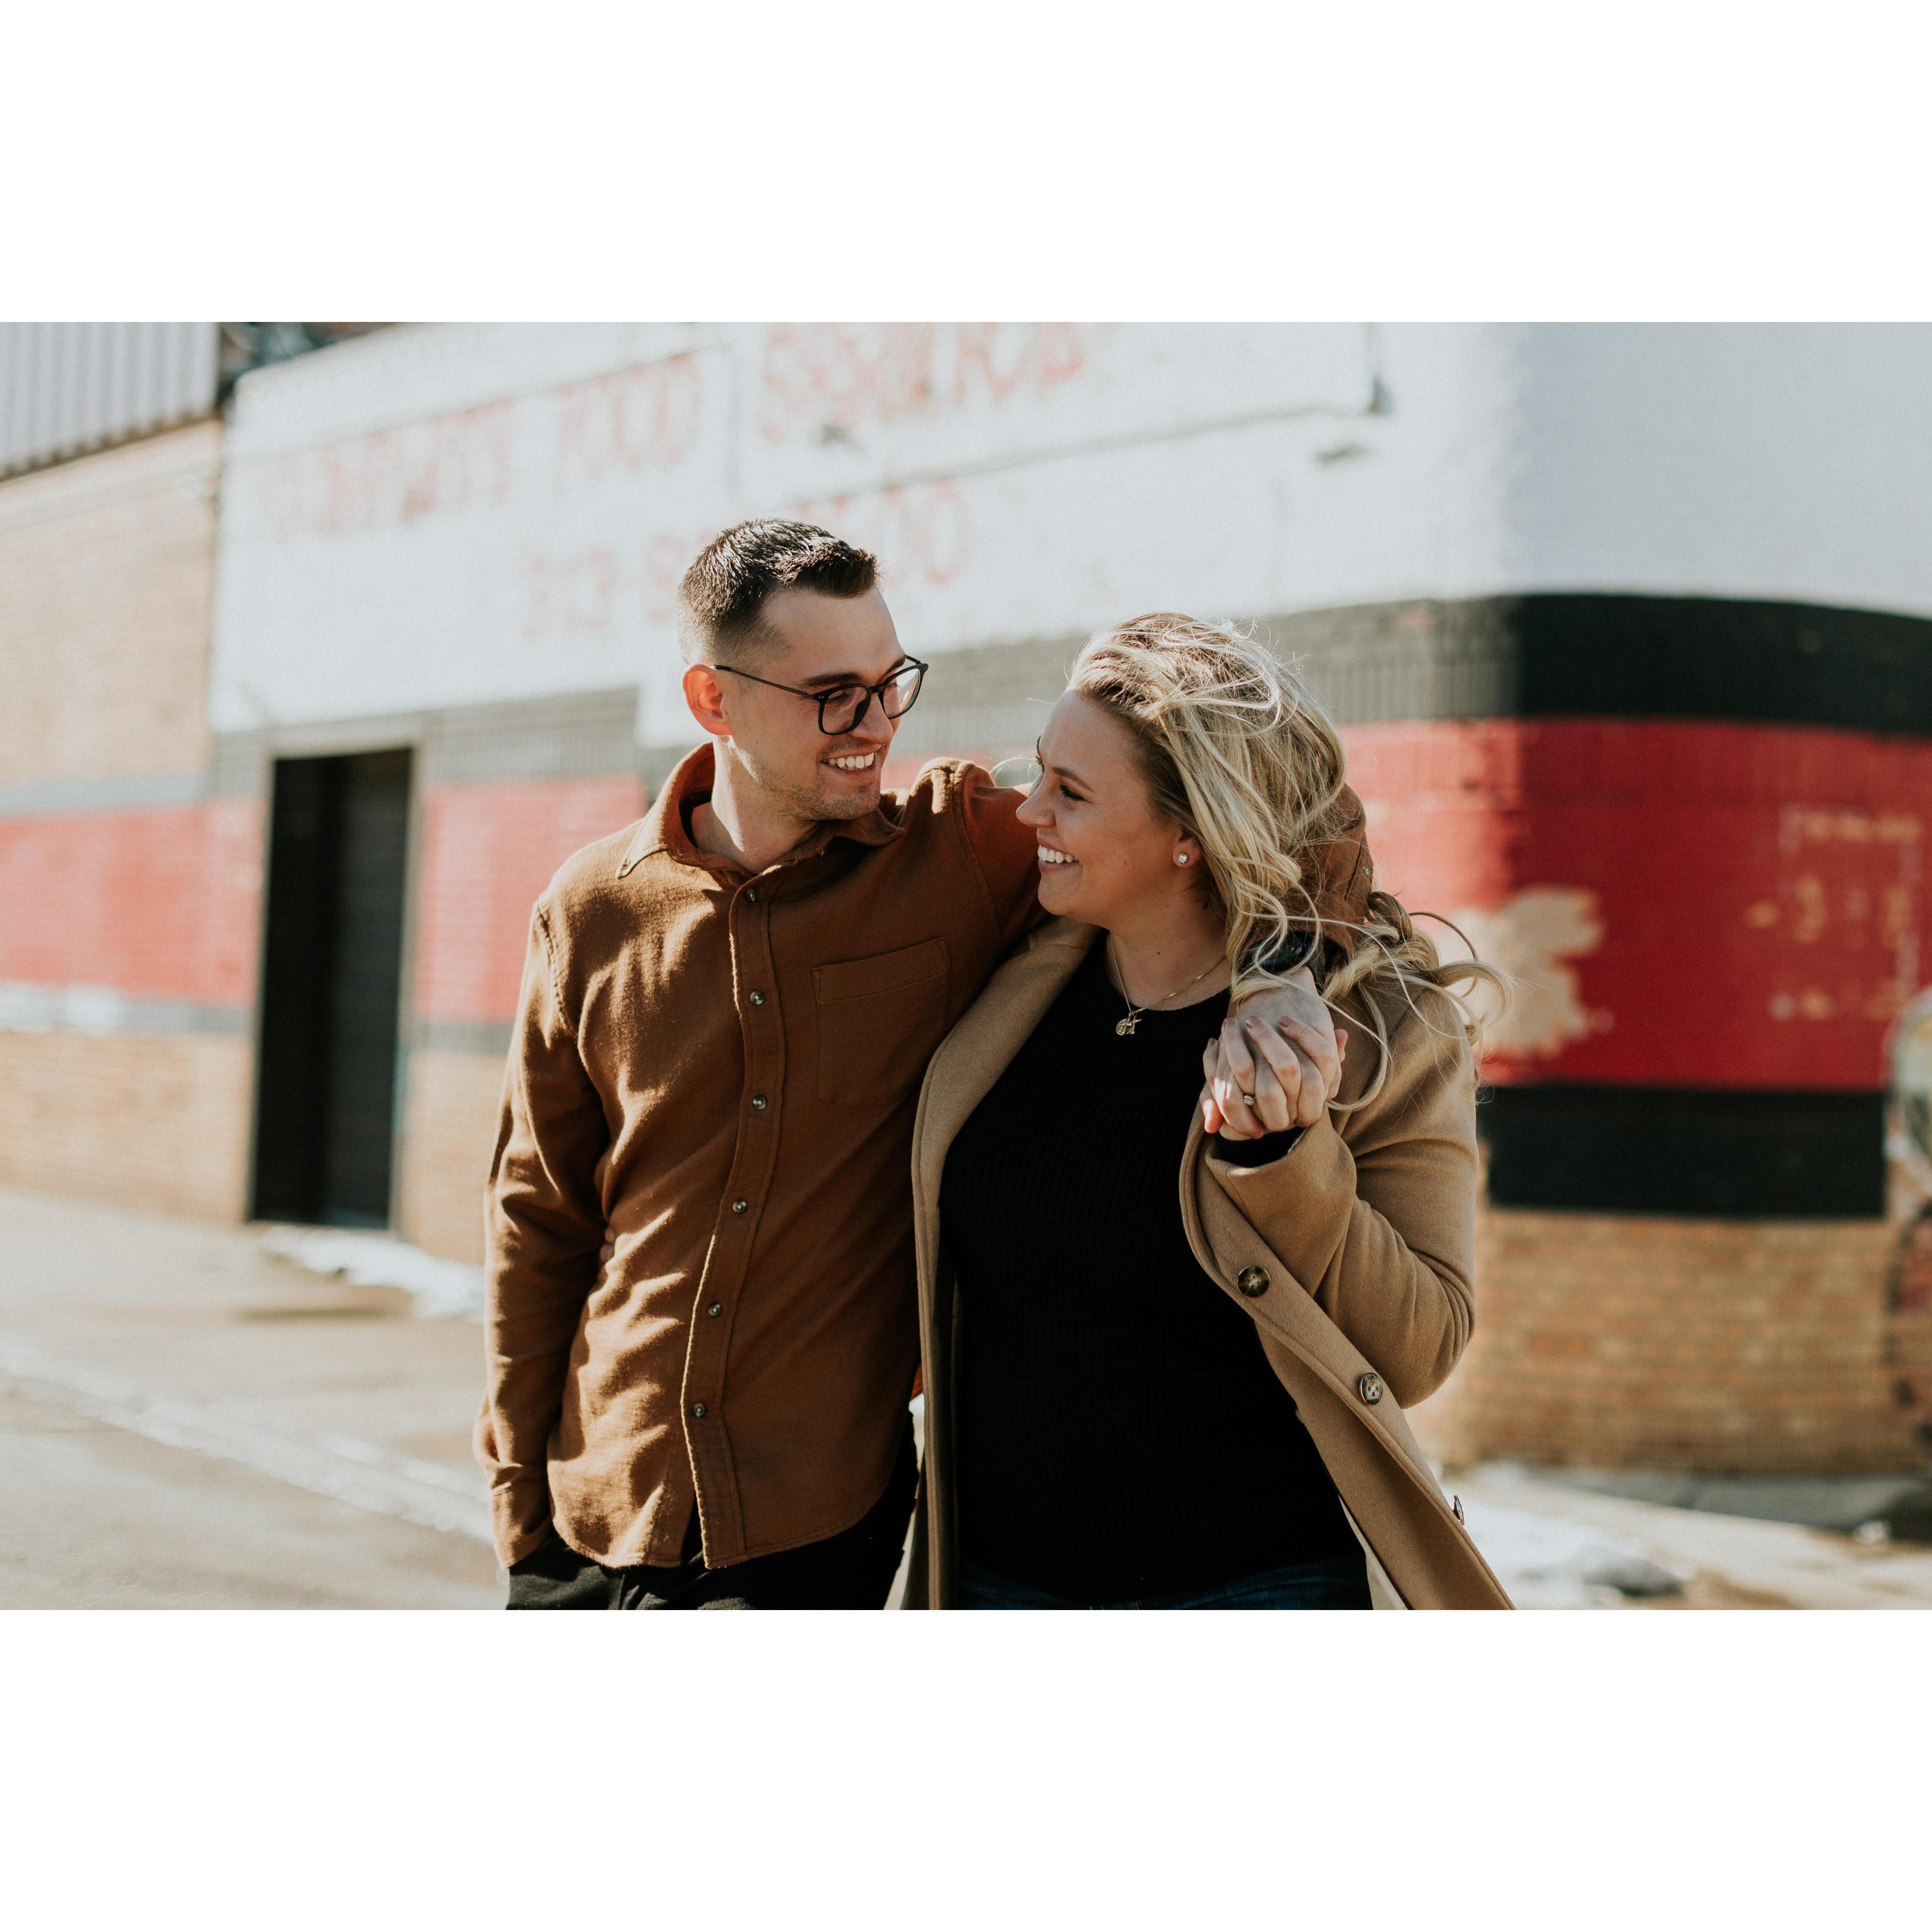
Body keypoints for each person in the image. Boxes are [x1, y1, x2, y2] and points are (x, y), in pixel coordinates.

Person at [476, 524, 1325, 1609]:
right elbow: (538, 1218)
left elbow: (1253, 815)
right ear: (712, 699)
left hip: (811, 1531)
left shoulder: (966, 852)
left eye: (890, 684)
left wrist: (1280, 971)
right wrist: (520, 1511)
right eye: (834, 695)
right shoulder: (591, 908)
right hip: (590, 1513)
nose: (876, 725)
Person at [898, 614, 1515, 1610]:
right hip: (996, 1584)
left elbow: (1419, 1348)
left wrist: (1286, 1152)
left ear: (1190, 835)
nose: (1029, 812)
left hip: (1259, 1587)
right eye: (1038, 771)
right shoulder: (1010, 976)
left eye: (1070, 792)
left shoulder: (1379, 1031)